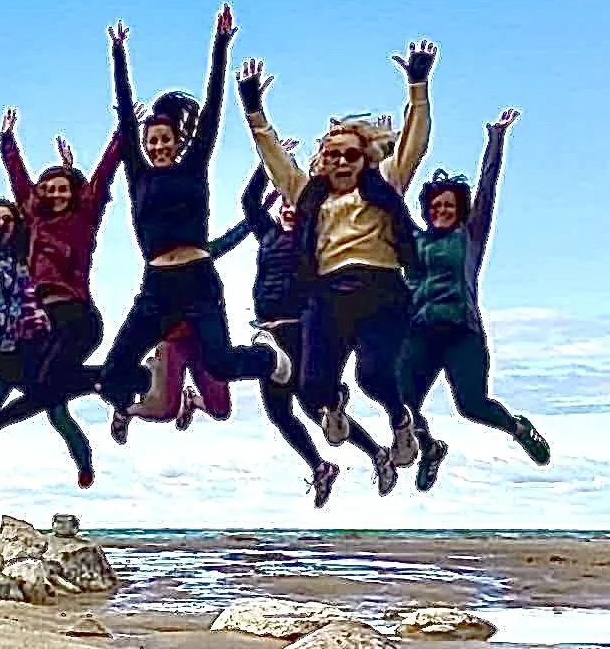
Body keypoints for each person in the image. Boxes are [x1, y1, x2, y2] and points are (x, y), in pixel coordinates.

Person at [236, 39, 438, 475]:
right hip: (328, 296)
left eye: (351, 154)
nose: (342, 161)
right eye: (333, 155)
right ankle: (334, 405)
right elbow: (274, 161)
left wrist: (418, 87)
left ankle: (401, 422)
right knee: (312, 385)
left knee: (373, 375)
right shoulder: (309, 197)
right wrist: (254, 110)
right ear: (322, 161)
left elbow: (414, 144)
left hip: (381, 290)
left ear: (365, 159)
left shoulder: (384, 184)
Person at [98, 7, 290, 420]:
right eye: (151, 141)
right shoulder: (139, 176)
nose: (157, 146)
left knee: (221, 363)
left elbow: (213, 108)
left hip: (198, 278)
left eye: (165, 139)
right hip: (157, 285)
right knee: (112, 375)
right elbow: (126, 117)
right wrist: (118, 55)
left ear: (178, 140)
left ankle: (266, 359)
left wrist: (220, 46)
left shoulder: (193, 166)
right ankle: (151, 391)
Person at [0, 113, 123, 487]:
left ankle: (84, 454)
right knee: (31, 392)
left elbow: (103, 175)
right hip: (32, 327)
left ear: (74, 192)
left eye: (62, 188)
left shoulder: (84, 218)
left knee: (51, 400)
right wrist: (7, 142)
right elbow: (20, 182)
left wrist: (122, 132)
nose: (55, 194)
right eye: (47, 189)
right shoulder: (32, 224)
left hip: (72, 312)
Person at [400, 108, 550, 490]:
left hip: (461, 333)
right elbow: (387, 203)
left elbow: (487, 188)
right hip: (419, 334)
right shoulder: (412, 242)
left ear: (459, 211)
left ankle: (518, 428)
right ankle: (430, 449)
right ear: (427, 210)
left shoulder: (470, 236)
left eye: (449, 206)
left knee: (471, 406)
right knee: (400, 403)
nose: (442, 210)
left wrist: (496, 139)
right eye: (436, 206)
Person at [238, 158, 397, 503]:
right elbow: (249, 202)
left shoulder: (314, 239)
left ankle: (371, 452)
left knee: (313, 406)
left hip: (299, 330)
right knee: (280, 413)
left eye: (295, 205)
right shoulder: (268, 234)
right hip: (268, 329)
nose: (289, 209)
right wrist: (268, 164)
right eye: (285, 204)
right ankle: (328, 465)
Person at [119, 213, 253, 439]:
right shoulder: (158, 263)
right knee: (165, 411)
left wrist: (259, 212)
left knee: (220, 409)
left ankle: (190, 400)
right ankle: (127, 410)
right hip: (173, 343)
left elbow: (232, 238)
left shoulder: (199, 254)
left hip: (202, 342)